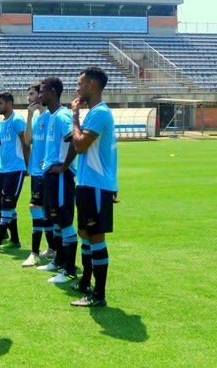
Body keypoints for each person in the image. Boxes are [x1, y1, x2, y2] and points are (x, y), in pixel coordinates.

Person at [69, 67, 117, 307]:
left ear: (93, 85)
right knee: (85, 234)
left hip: (96, 185)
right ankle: (86, 282)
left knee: (96, 237)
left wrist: (75, 116)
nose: (77, 88)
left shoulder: (99, 113)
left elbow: (79, 146)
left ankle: (99, 294)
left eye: (81, 83)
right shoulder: (95, 113)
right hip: (87, 183)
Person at [36, 77, 79, 284]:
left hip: (61, 175)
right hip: (51, 174)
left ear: (52, 92)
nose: (39, 95)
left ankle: (69, 269)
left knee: (64, 220)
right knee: (55, 219)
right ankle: (58, 261)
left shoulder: (63, 116)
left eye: (42, 91)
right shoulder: (52, 116)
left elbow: (75, 142)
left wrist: (64, 166)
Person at [0, 91, 29, 254]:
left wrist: (27, 166)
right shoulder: (0, 124)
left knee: (8, 205)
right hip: (3, 169)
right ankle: (14, 240)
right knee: (3, 205)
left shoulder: (17, 120)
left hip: (16, 169)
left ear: (9, 103)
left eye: (0, 103)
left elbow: (25, 144)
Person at [21, 82, 56, 267]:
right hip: (35, 171)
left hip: (47, 171)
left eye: (32, 93)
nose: (29, 97)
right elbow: (27, 141)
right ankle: (48, 249)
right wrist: (29, 115)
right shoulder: (35, 118)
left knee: (41, 209)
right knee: (38, 209)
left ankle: (38, 252)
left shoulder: (52, 117)